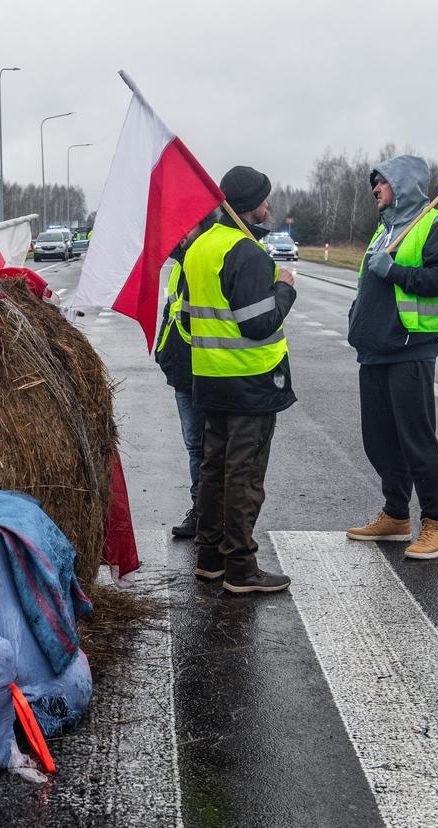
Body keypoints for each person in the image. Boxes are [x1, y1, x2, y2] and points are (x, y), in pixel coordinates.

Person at [183, 166, 297, 593]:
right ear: (251, 206)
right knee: (243, 476)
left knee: (214, 471)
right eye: (265, 200)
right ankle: (241, 568)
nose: (268, 206)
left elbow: (187, 317)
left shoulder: (200, 247)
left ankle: (210, 558)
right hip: (251, 382)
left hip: (211, 378)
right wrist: (284, 287)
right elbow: (259, 323)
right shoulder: (246, 252)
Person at [346, 155, 438, 559]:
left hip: (410, 348)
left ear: (403, 184)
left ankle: (436, 523)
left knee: (416, 439)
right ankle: (396, 516)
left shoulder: (435, 223)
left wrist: (393, 270)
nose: (375, 189)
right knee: (379, 440)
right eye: (374, 183)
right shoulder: (384, 230)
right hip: (375, 350)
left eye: (382, 182)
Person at [155, 213, 217, 537]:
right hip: (183, 372)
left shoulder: (207, 260)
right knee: (195, 446)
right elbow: (172, 313)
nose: (181, 233)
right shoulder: (180, 265)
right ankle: (200, 510)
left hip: (211, 370)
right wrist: (163, 355)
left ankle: (215, 516)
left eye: (188, 224)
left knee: (213, 448)